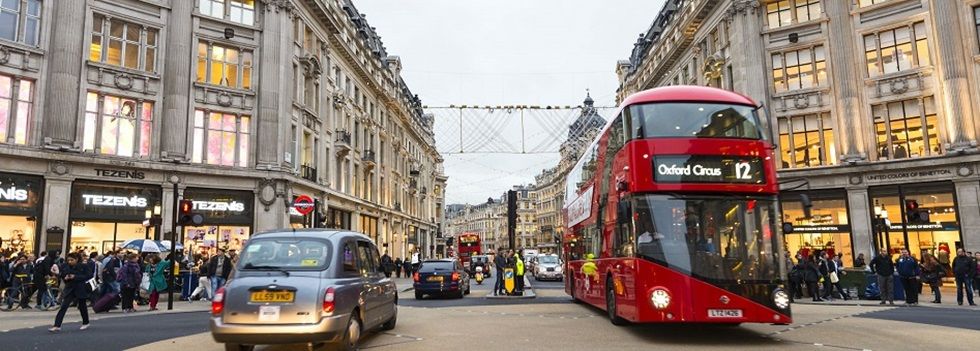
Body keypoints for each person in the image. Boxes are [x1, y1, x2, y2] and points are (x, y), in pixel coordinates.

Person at [49, 252, 92, 332]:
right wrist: (64, 276)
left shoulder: (83, 266)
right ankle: (57, 325)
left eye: (72, 260)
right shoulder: (65, 266)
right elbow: (62, 274)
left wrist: (75, 277)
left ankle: (86, 322)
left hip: (80, 287)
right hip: (69, 288)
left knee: (82, 306)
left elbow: (89, 275)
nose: (70, 262)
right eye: (68, 260)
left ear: (77, 259)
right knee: (64, 306)